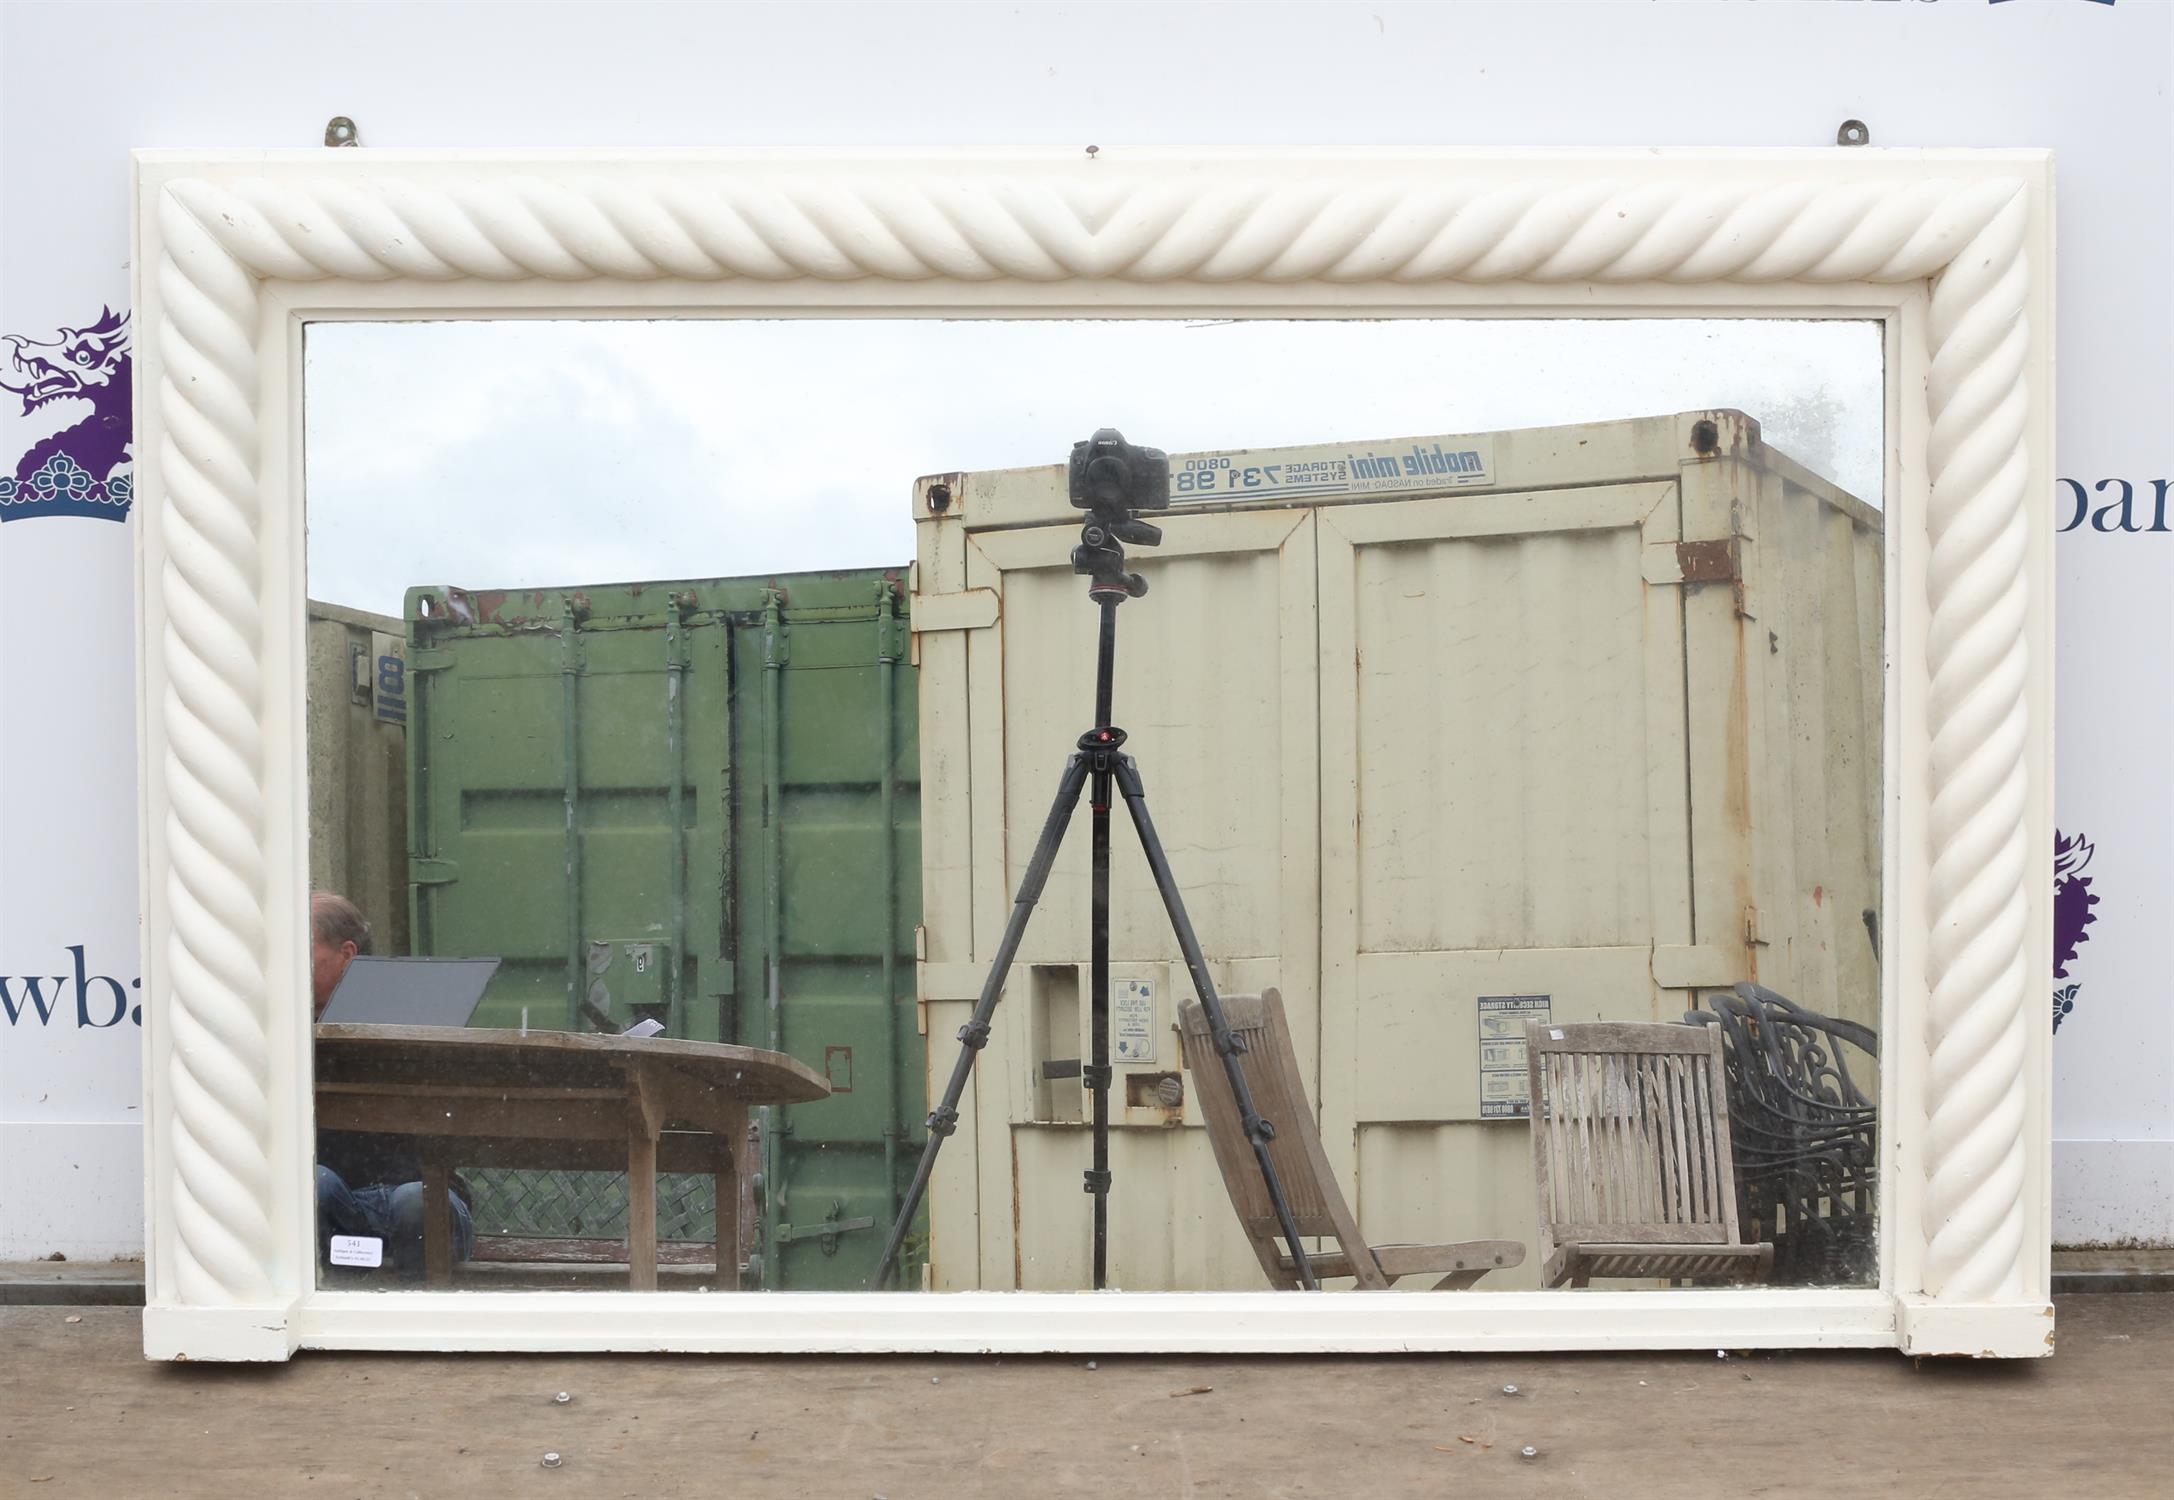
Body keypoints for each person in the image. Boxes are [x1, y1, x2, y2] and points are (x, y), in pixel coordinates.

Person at [310, 891, 475, 1277]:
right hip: (344, 1204)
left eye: (301, 953)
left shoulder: (409, 1016)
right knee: (313, 1184)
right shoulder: (282, 1031)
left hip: (423, 1194)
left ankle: (421, 1325)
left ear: (347, 954)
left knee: (414, 1200)